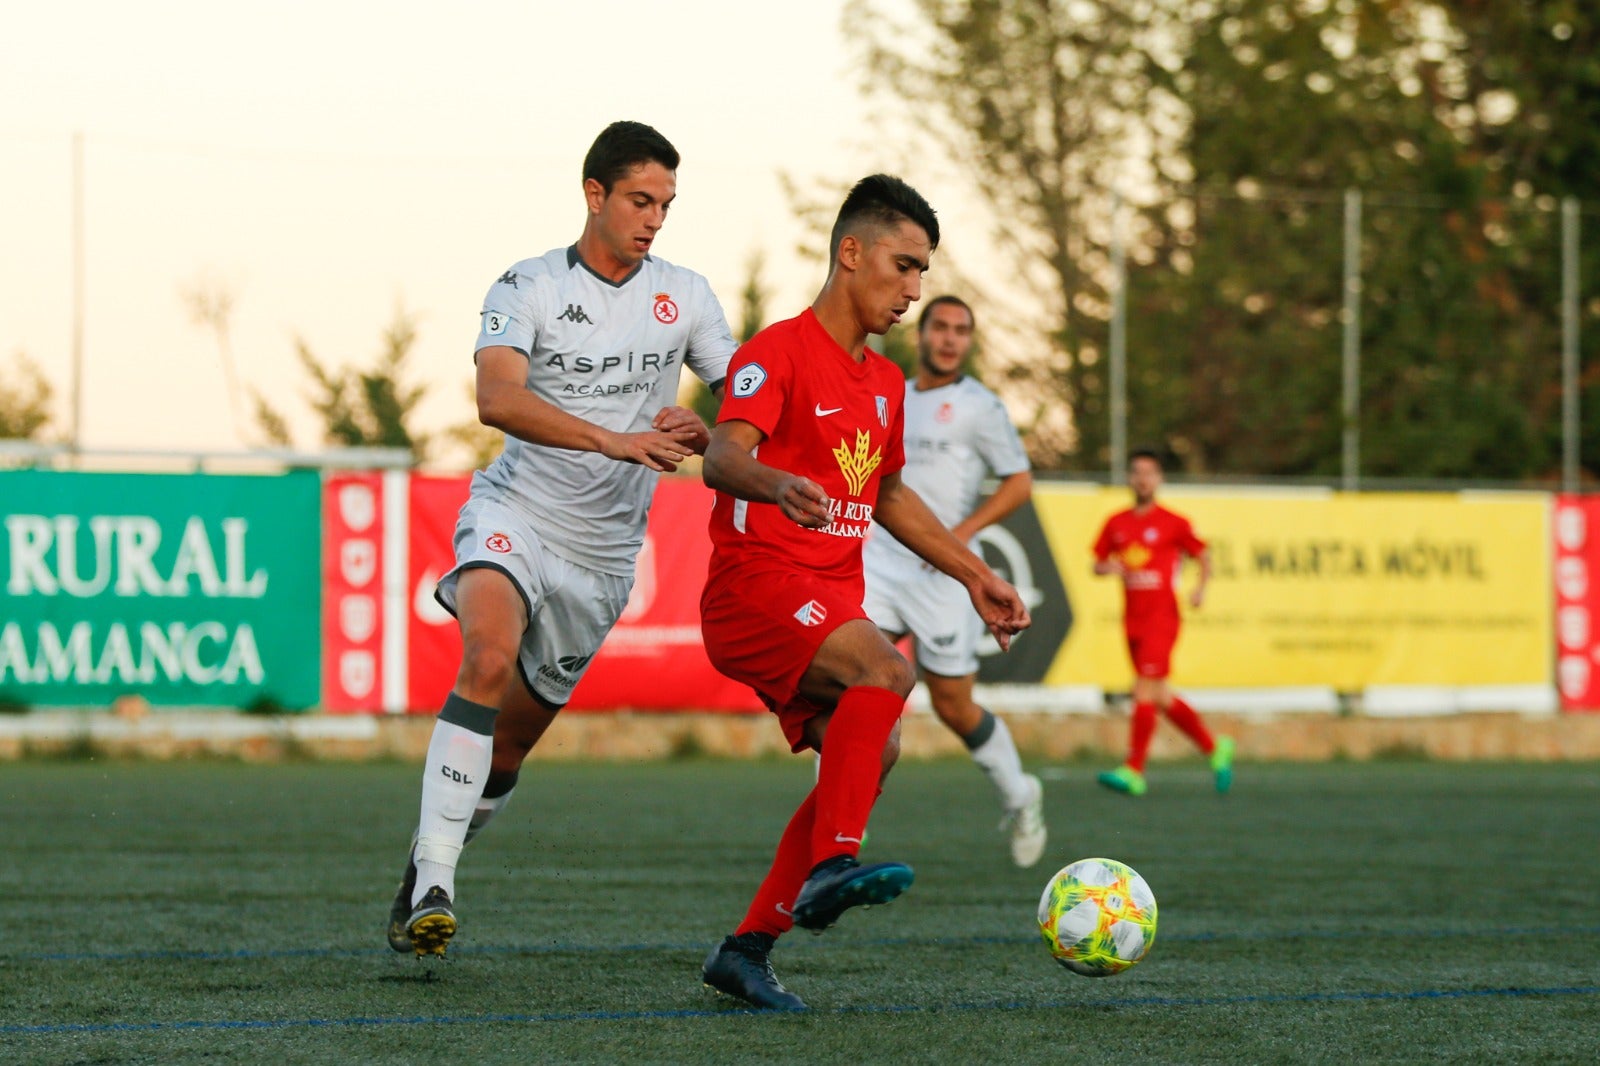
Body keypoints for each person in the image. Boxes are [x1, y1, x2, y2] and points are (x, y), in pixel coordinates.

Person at [385, 121, 738, 957]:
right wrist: (614, 438)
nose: (655, 219)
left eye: (667, 205)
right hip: (517, 515)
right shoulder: (528, 284)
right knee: (486, 658)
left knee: (507, 752)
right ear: (595, 194)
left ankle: (419, 876)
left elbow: (747, 400)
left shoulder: (686, 295)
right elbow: (497, 399)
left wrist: (713, 423)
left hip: (606, 558)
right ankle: (438, 877)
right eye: (641, 200)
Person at [696, 175, 1031, 1010]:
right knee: (888, 673)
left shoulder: (884, 385)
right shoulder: (775, 351)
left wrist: (977, 574)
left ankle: (747, 949)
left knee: (874, 750)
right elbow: (722, 456)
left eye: (924, 273)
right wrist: (774, 483)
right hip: (756, 589)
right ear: (851, 253)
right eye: (904, 265)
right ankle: (832, 866)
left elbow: (885, 495)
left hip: (825, 595)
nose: (914, 291)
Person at [860, 295, 1045, 867]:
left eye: (961, 331)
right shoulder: (888, 389)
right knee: (850, 683)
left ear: (969, 341)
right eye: (940, 327)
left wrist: (957, 536)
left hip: (942, 578)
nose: (949, 338)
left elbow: (1018, 482)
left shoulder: (979, 407)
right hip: (879, 561)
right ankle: (840, 828)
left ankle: (1021, 795)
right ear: (922, 334)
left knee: (953, 706)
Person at [1091, 449, 1233, 797]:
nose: (1143, 479)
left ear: (1160, 479)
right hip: (1133, 620)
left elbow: (1203, 556)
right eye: (1137, 472)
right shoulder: (1117, 523)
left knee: (1142, 688)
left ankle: (1134, 770)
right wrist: (1108, 567)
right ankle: (1215, 749)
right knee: (1160, 695)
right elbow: (1096, 562)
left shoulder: (1174, 522)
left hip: (1162, 617)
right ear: (1129, 478)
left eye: (1150, 473)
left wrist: (1200, 589)